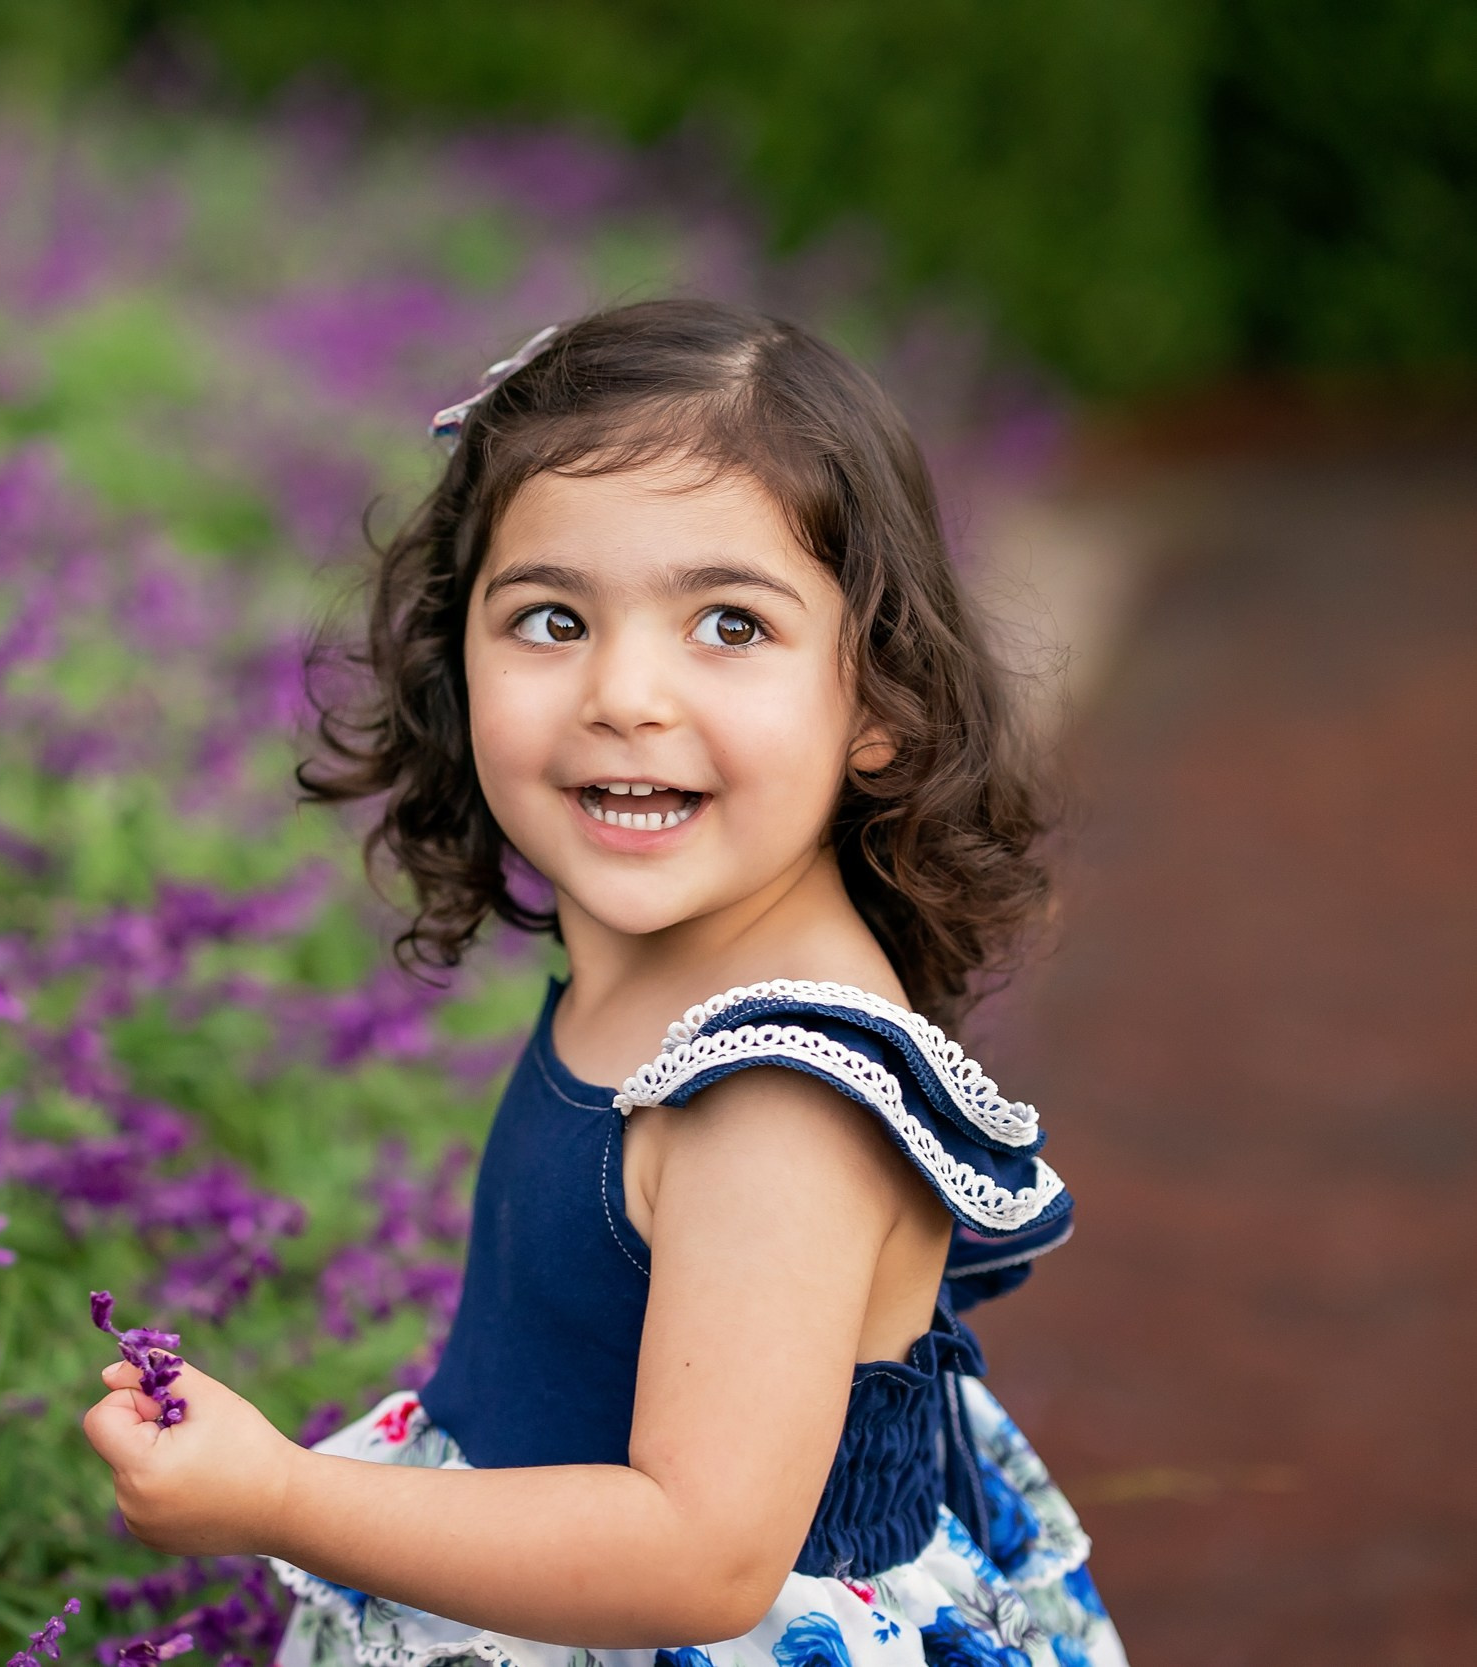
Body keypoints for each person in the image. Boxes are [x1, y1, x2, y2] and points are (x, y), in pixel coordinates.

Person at [79, 299, 1128, 1667]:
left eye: (731, 626)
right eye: (553, 617)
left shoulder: (779, 1099)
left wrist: (279, 1497)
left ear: (879, 702)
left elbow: (699, 1559)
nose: (624, 692)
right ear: (458, 661)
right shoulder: (667, 966)